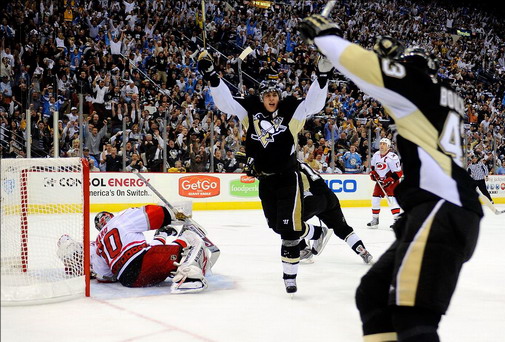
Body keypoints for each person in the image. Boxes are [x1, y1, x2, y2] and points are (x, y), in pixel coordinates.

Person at [299, 17, 483, 341]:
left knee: (414, 317)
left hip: (440, 208)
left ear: (411, 69)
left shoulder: (418, 87)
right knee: (372, 293)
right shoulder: (446, 96)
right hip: (444, 208)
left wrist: (327, 37)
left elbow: (370, 70)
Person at [198, 50, 331, 294]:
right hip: (264, 180)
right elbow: (224, 102)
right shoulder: (250, 111)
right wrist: (211, 75)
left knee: (289, 231)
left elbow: (314, 103)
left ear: (280, 97)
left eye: (275, 94)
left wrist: (322, 77)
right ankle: (316, 231)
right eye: (268, 94)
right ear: (262, 97)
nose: (272, 98)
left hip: (289, 178)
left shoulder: (292, 110)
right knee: (276, 226)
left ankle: (289, 278)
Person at [57, 205, 219, 293]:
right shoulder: (122, 217)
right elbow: (153, 214)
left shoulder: (99, 242)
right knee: (190, 238)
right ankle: (189, 278)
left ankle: (176, 268)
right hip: (145, 262)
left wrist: (161, 235)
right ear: (111, 216)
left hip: (130, 281)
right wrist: (173, 213)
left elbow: (106, 275)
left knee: (159, 256)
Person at [298, 161, 373, 264]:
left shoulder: (288, 164)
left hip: (312, 198)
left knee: (292, 222)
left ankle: (306, 245)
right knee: (343, 229)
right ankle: (363, 252)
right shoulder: (301, 163)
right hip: (330, 196)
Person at [367, 138, 402, 229]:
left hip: (391, 182)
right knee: (375, 200)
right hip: (380, 182)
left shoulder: (393, 157)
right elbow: (373, 168)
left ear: (388, 146)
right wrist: (373, 174)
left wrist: (390, 180)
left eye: (384, 144)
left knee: (392, 201)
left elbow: (399, 173)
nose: (381, 145)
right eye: (381, 143)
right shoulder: (376, 155)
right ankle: (375, 219)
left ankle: (397, 221)